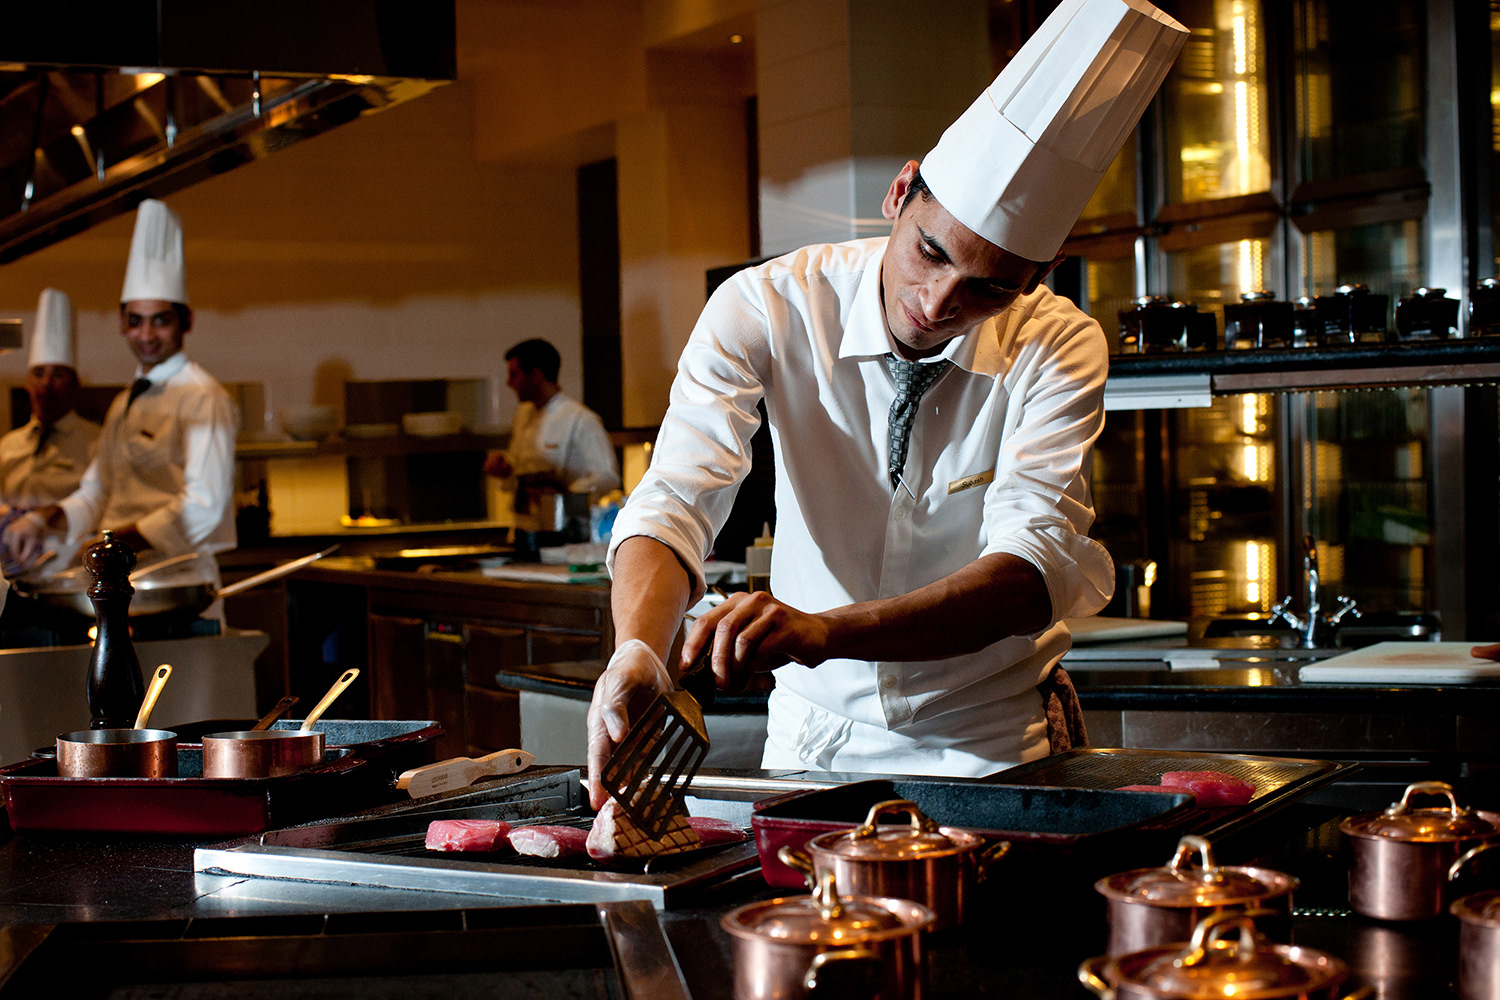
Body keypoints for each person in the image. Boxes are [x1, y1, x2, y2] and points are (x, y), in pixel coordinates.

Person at [585, 0, 1188, 805]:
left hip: (990, 740)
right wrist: (640, 651)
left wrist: (825, 632)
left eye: (989, 288)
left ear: (1035, 280)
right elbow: (676, 499)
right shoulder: (769, 305)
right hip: (814, 740)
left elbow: (1030, 570)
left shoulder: (1058, 343)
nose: (939, 301)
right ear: (900, 193)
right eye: (929, 252)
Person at [3, 199, 239, 573]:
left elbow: (203, 505)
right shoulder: (124, 403)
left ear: (186, 321)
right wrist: (42, 519)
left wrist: (114, 543)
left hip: (176, 579)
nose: (146, 335)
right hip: (121, 579)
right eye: (135, 320)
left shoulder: (203, 397)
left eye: (160, 320)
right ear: (121, 323)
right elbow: (96, 491)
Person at [0, 288, 100, 511]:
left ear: (75, 384)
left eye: (58, 375)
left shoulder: (96, 444)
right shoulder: (8, 446)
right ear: (27, 384)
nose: (46, 384)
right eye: (38, 374)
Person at [484, 338, 621, 497]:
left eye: (514, 375)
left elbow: (608, 477)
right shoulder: (523, 414)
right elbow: (520, 472)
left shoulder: (580, 419)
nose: (509, 383)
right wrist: (505, 470)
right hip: (525, 518)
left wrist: (564, 495)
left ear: (536, 375)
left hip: (564, 519)